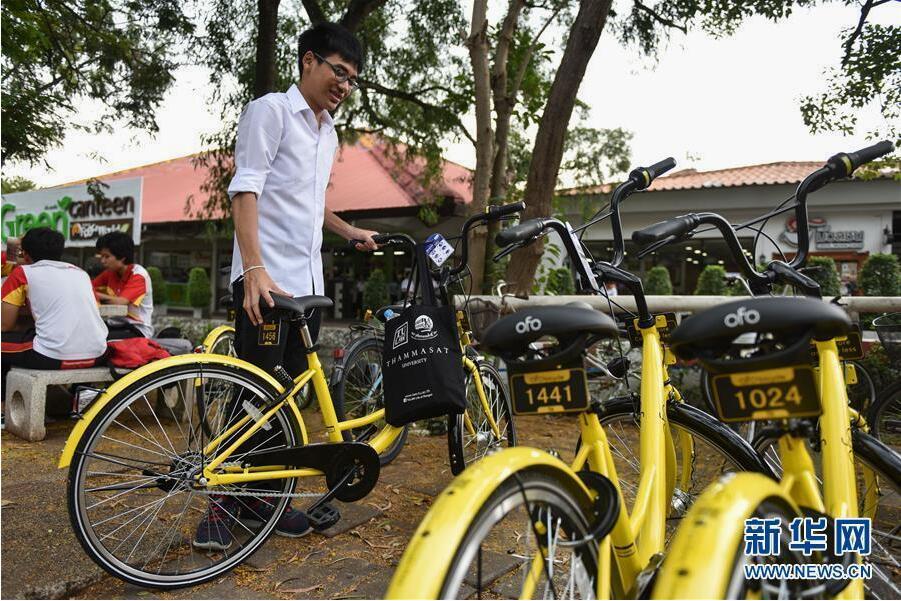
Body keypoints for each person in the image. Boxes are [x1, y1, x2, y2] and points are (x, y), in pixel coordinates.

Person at [193, 21, 378, 551]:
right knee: (253, 396)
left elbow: (308, 202)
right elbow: (245, 189)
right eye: (338, 72)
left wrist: (349, 231)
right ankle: (219, 505)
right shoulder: (270, 111)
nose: (345, 85)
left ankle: (265, 501)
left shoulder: (328, 131)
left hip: (307, 286)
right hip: (266, 283)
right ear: (308, 60)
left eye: (352, 79)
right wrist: (254, 269)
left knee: (286, 400)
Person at [1, 228, 108, 389]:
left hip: (50, 356)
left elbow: (5, 325)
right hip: (98, 353)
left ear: (25, 254)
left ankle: (3, 398)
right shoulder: (81, 273)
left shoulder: (21, 272)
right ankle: (77, 395)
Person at [92, 231, 154, 338]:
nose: (102, 261)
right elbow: (88, 287)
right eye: (101, 256)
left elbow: (121, 302)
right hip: (115, 324)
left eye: (106, 256)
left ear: (122, 257)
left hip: (137, 329)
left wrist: (95, 295)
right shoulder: (110, 273)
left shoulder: (139, 275)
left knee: (99, 339)